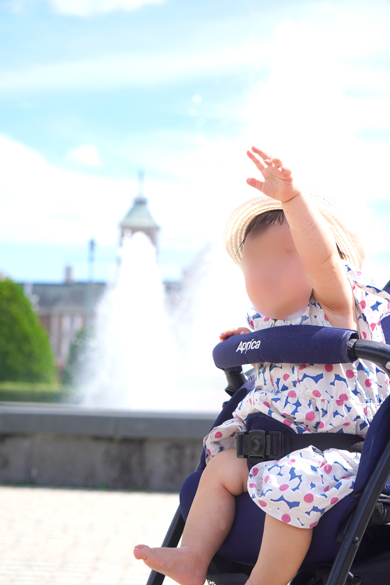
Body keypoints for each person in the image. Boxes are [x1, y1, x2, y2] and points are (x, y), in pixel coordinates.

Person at [133, 147, 390, 585]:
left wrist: (291, 200)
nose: (264, 269)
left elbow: (323, 260)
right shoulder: (265, 329)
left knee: (289, 485)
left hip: (328, 458)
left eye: (284, 255)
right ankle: (193, 556)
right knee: (217, 471)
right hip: (263, 452)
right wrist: (251, 345)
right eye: (254, 259)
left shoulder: (337, 308)